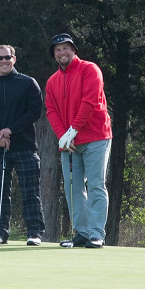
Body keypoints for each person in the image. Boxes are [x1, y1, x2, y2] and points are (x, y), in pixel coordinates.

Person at [45, 33, 112, 249]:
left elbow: (90, 102)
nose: (62, 52)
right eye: (58, 50)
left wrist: (71, 131)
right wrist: (62, 136)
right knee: (73, 188)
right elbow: (52, 111)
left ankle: (96, 234)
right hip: (69, 143)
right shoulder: (52, 81)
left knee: (95, 186)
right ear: (54, 55)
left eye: (66, 48)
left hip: (95, 137)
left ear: (74, 50)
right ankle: (82, 232)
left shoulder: (90, 69)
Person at [0, 45, 46, 246]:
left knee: (30, 192)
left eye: (8, 57)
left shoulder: (28, 83)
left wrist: (10, 130)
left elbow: (33, 112)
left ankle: (34, 233)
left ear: (14, 59)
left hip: (25, 147)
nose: (4, 61)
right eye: (0, 58)